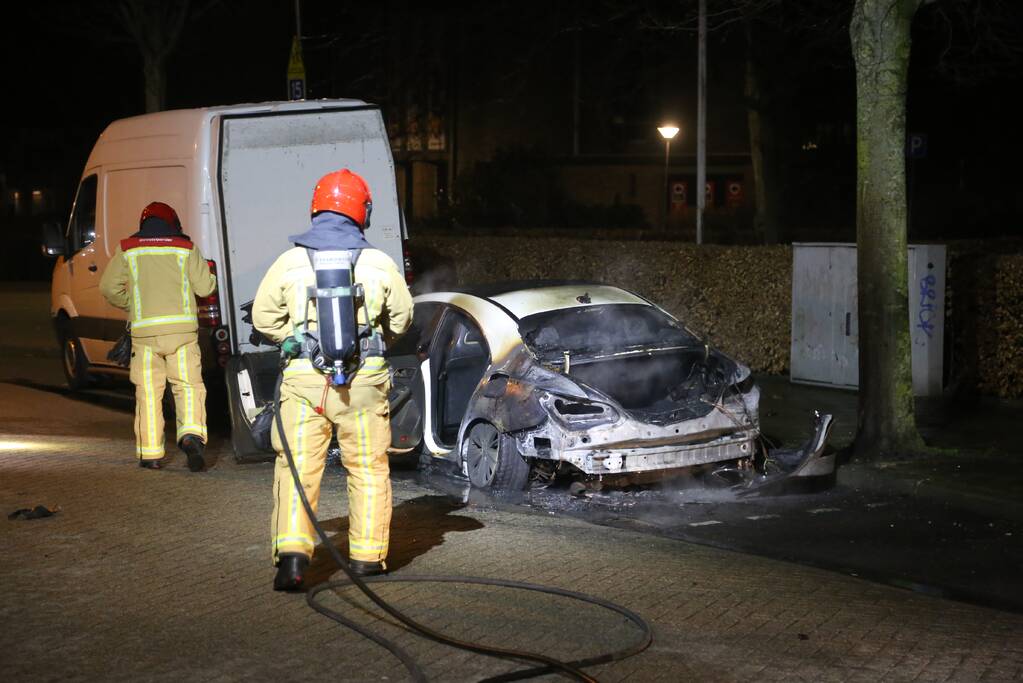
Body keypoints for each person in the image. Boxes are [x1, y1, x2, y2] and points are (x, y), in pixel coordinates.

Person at [252, 169, 413, 591]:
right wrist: (376, 341)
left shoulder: (289, 261)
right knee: (369, 470)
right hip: (363, 386)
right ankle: (367, 559)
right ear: (363, 212)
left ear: (316, 208)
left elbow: (264, 316)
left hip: (304, 386)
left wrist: (293, 339)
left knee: (297, 469)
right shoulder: (378, 263)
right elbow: (402, 318)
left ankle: (292, 560)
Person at [99, 202, 217, 472]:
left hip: (145, 336)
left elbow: (108, 287)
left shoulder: (128, 249)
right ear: (173, 223)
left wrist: (134, 304)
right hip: (183, 334)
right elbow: (205, 286)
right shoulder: (186, 248)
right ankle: (191, 436)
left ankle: (151, 454)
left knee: (149, 393)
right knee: (188, 386)